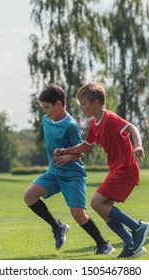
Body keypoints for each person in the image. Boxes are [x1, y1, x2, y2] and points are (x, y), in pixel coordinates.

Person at [54, 82, 149, 258]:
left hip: (125, 169)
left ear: (97, 102)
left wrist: (138, 145)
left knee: (96, 203)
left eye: (84, 103)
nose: (81, 107)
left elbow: (132, 127)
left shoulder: (110, 118)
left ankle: (139, 227)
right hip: (116, 170)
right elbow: (85, 145)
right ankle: (131, 245)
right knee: (103, 210)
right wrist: (66, 151)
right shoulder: (94, 124)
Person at [23, 83, 115, 255]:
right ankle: (58, 227)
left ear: (59, 104)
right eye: (43, 107)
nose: (45, 111)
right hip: (54, 172)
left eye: (47, 107)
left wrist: (68, 156)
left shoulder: (71, 125)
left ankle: (104, 244)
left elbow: (80, 152)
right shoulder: (45, 120)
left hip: (73, 175)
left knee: (78, 215)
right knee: (29, 196)